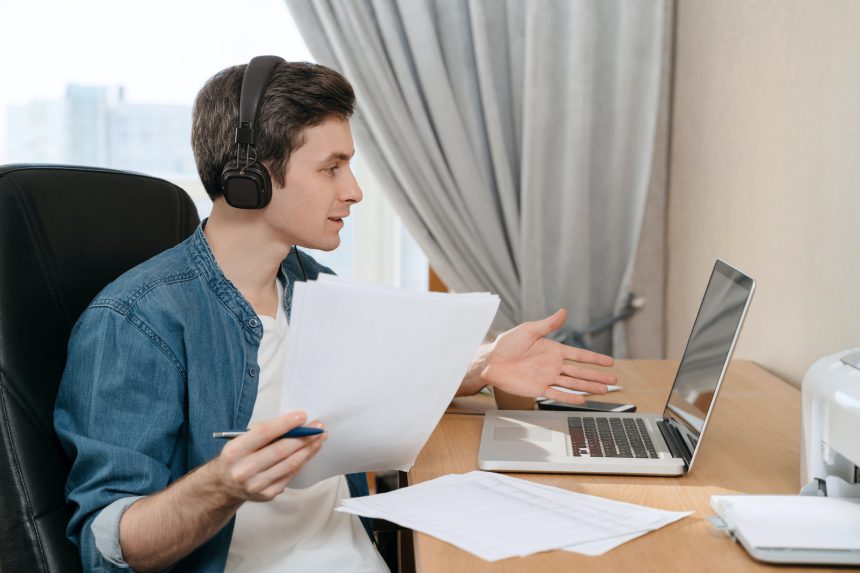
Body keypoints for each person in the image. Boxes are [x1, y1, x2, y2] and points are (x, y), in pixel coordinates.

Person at [54, 59, 616, 573]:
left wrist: (484, 365)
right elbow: (107, 546)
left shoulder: (310, 286)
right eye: (331, 168)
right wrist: (221, 485)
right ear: (249, 179)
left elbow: (383, 385)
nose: (354, 191)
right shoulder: (135, 322)